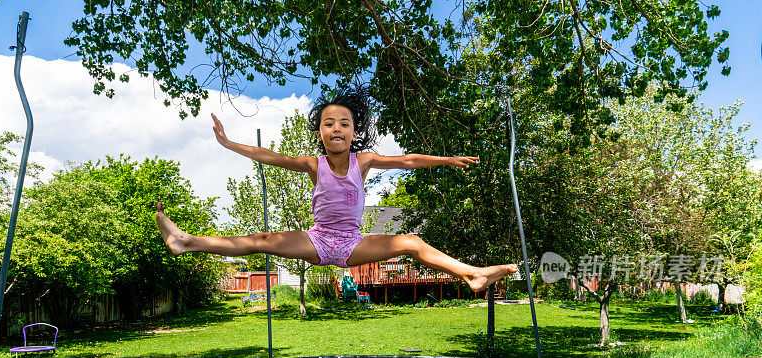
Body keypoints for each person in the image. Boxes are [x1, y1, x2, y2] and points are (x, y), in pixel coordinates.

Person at [156, 85, 517, 292]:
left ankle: (472, 273)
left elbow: (406, 160)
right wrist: (230, 143)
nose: (337, 128)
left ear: (354, 133)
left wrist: (445, 160)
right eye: (329, 123)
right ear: (320, 133)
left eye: (345, 123)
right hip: (317, 239)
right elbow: (269, 156)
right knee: (261, 241)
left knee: (412, 243)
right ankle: (185, 242)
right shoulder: (313, 164)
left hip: (351, 243)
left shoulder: (366, 161)